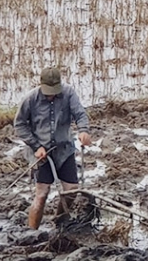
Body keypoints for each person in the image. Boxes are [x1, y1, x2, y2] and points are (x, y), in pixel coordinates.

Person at [13, 66, 94, 230]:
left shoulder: (68, 93)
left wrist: (83, 131)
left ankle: (60, 222)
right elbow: (19, 125)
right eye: (48, 91)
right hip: (41, 154)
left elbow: (80, 114)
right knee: (42, 194)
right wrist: (36, 146)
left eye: (54, 91)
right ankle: (32, 232)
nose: (51, 95)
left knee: (71, 190)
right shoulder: (31, 99)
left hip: (64, 150)